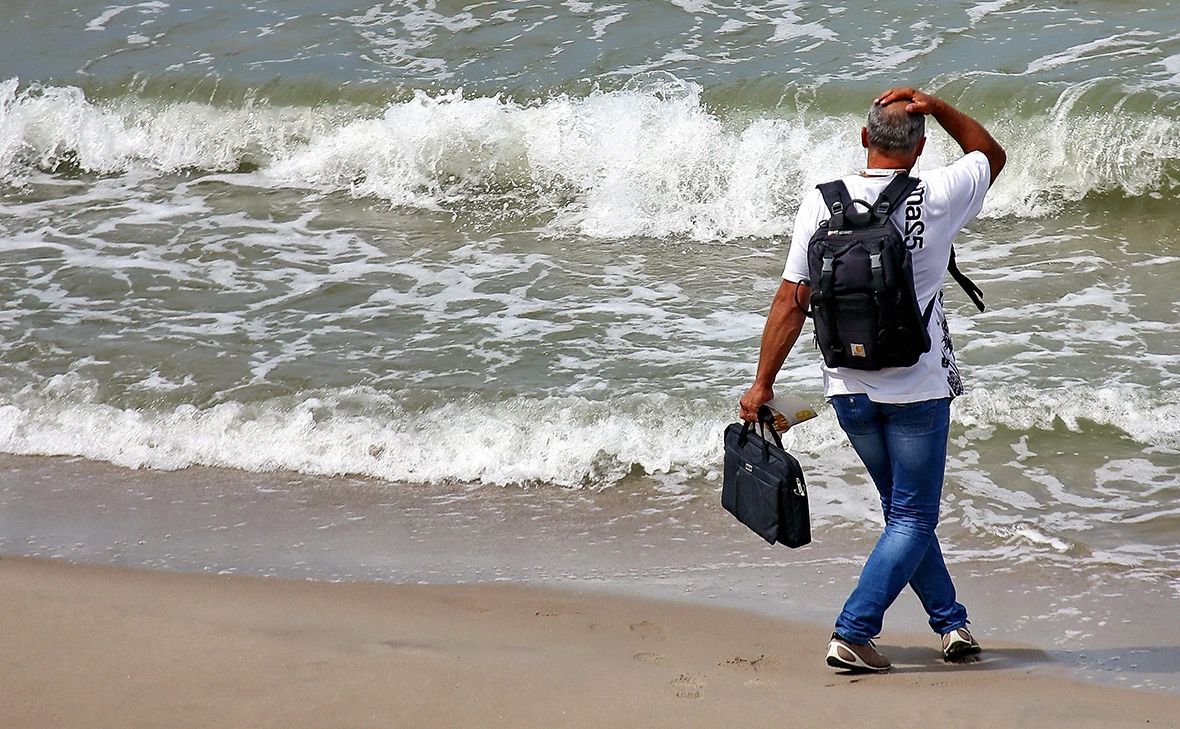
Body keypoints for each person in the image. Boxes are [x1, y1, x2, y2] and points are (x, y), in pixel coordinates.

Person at [738, 87, 1006, 672]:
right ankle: (853, 631)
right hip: (917, 387)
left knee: (902, 513)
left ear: (864, 138)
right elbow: (990, 153)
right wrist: (939, 107)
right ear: (922, 145)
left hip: (848, 387)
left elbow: (790, 300)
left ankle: (951, 624)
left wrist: (762, 385)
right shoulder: (938, 193)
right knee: (913, 517)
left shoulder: (822, 201)